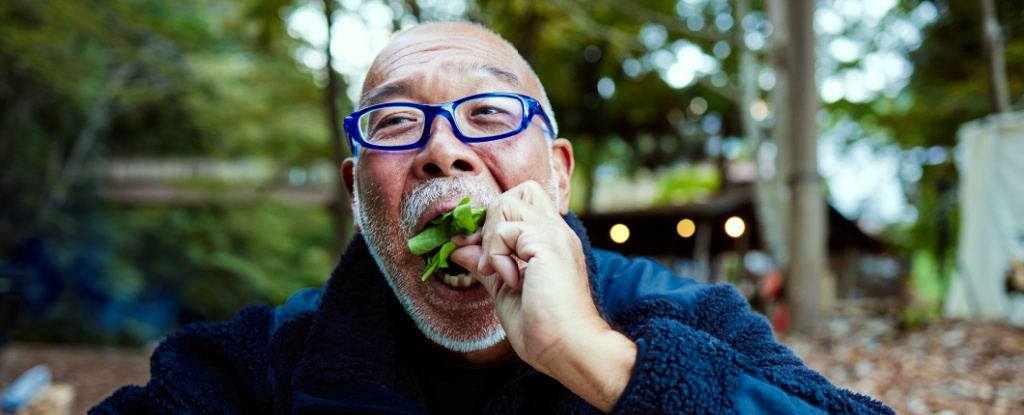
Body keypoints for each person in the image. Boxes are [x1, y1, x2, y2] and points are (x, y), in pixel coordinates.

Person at [92, 21, 893, 414]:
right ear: (357, 195)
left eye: (486, 113)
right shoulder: (259, 367)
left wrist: (593, 357)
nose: (443, 151)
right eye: (398, 123)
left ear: (560, 175)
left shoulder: (690, 319)